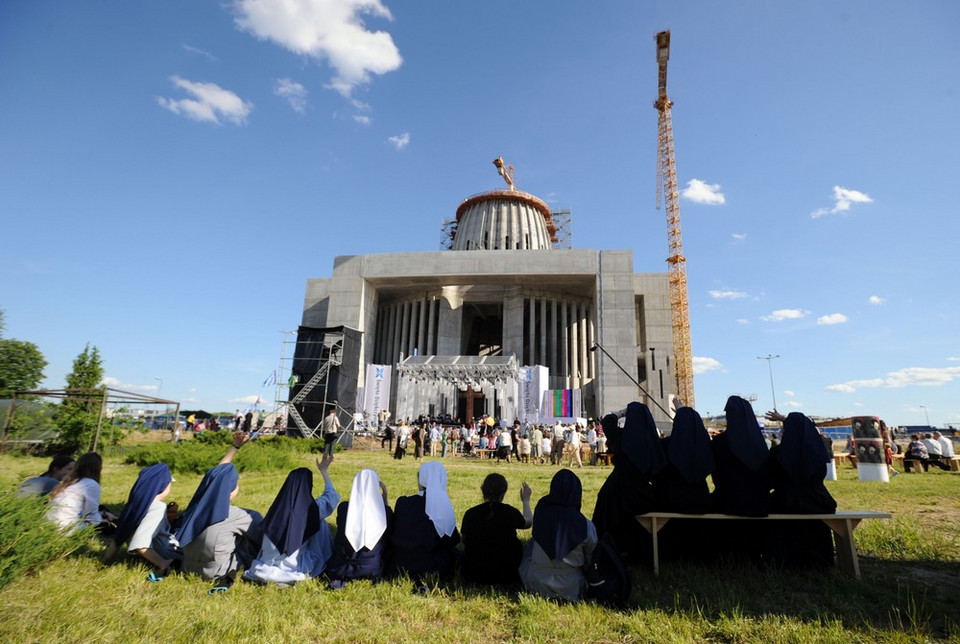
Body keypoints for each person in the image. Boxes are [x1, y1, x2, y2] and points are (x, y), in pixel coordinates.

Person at [175, 432, 263, 590]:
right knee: (250, 539)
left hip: (186, 566)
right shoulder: (239, 515)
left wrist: (235, 447)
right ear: (230, 490)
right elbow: (261, 539)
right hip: (216, 571)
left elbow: (214, 477)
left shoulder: (194, 508)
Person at [244, 455, 339, 587]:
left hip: (267, 561)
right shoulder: (312, 508)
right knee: (321, 523)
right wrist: (324, 471)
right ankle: (327, 558)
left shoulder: (276, 508)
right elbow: (332, 497)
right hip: (294, 565)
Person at [592, 404, 665, 563]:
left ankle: (613, 547)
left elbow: (607, 421)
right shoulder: (653, 441)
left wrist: (622, 412)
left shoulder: (621, 437)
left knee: (609, 509)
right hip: (643, 491)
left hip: (617, 489)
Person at [765, 412, 837, 569]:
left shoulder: (780, 453)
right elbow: (800, 424)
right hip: (817, 501)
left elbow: (769, 479)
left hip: (786, 502)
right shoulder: (817, 452)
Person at [519, 469, 598, 601]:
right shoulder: (585, 525)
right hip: (571, 588)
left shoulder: (541, 513)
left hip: (534, 583)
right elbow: (591, 558)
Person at [709, 396, 771, 564]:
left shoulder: (720, 443)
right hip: (759, 503)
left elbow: (716, 475)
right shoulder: (761, 442)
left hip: (727, 502)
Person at [387, 461, 460, 588]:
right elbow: (453, 539)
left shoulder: (403, 502)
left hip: (399, 565)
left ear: (420, 479)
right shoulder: (442, 506)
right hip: (430, 568)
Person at [103, 463, 182, 575]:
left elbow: (119, 538)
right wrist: (164, 564)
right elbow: (140, 543)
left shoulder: (135, 506)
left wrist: (105, 561)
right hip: (170, 555)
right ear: (163, 485)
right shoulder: (158, 507)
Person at [460, 473, 532, 586]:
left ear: (482, 490)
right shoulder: (510, 512)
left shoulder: (470, 514)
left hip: (475, 572)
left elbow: (464, 540)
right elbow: (528, 522)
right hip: (507, 572)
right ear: (503, 493)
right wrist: (526, 501)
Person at [326, 469, 393, 589]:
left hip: (344, 567)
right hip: (373, 567)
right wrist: (384, 500)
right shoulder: (385, 512)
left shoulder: (344, 508)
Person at [46, 452, 116, 534]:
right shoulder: (91, 484)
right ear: (98, 468)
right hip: (67, 528)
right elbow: (91, 515)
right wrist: (103, 519)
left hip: (49, 523)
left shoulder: (69, 480)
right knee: (113, 525)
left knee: (102, 509)